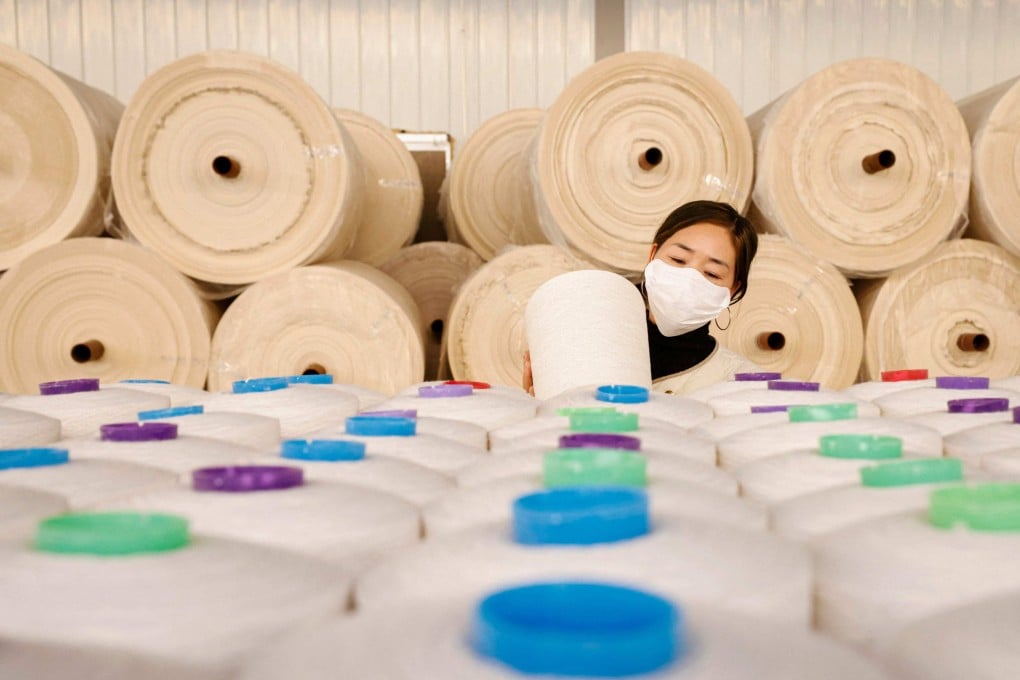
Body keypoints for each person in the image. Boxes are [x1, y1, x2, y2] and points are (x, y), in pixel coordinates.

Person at [523, 200, 761, 396]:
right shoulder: (583, 345)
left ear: (733, 290)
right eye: (678, 260)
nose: (688, 279)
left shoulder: (738, 384)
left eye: (712, 273)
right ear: (652, 255)